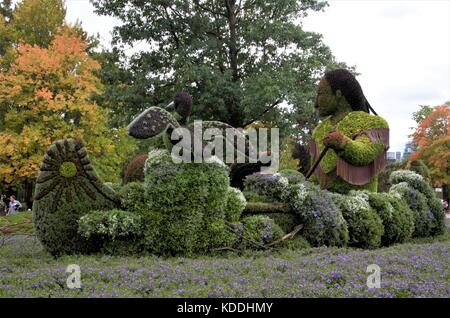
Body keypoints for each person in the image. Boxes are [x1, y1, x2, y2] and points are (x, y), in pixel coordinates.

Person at [310, 69, 389, 193]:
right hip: (322, 207)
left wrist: (343, 143)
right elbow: (315, 176)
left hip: (361, 206)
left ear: (338, 94)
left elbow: (364, 152)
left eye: (321, 94)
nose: (316, 103)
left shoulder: (375, 124)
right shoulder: (319, 131)